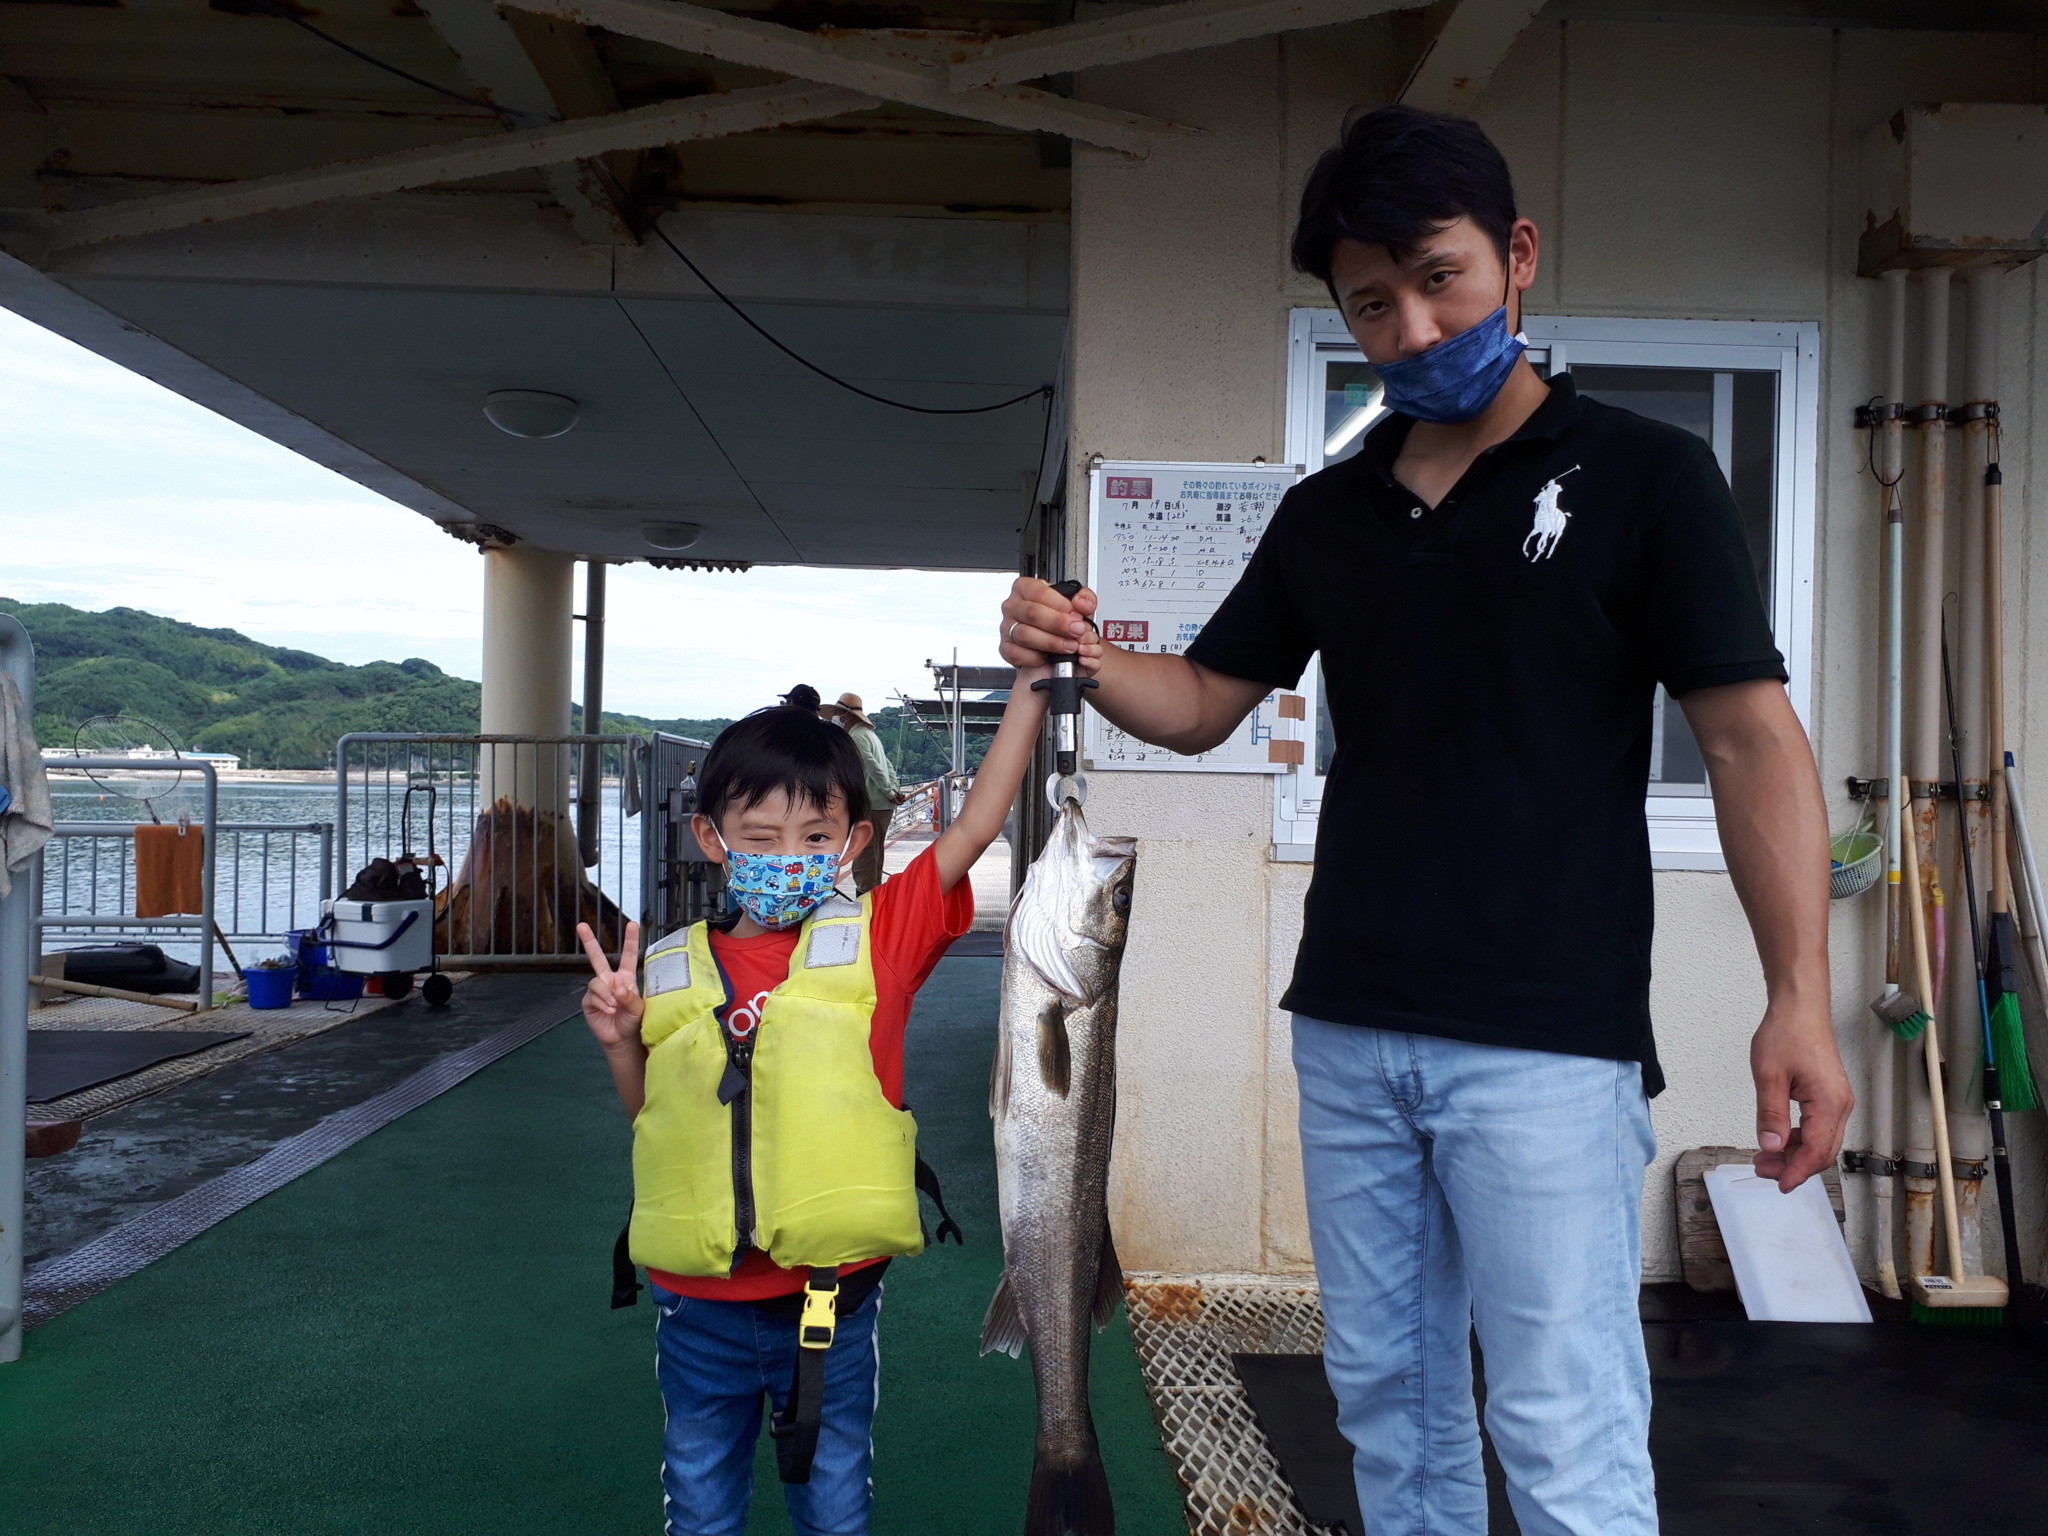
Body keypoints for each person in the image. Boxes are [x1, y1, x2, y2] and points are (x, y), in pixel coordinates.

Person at [998, 106, 1850, 1536]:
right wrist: (1079, 652)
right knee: (1388, 1409)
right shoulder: (1330, 515)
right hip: (1348, 1024)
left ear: (1516, 257)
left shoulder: (1645, 476)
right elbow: (1207, 696)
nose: (1408, 327)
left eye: (1438, 278)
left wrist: (1799, 1000)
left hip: (1545, 1039)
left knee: (1560, 1417)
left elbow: (1752, 739)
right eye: (1369, 303)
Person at [575, 667, 1050, 1536]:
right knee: (700, 1508)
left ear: (853, 840)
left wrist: (1029, 685)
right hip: (694, 1300)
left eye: (813, 834)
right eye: (759, 835)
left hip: (826, 1302)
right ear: (712, 839)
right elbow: (656, 1121)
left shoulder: (884, 934)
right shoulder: (667, 967)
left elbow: (979, 821)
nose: (786, 855)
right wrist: (618, 1045)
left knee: (834, 1509)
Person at [822, 692, 904, 894]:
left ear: (847, 715)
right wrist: (893, 790)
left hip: (871, 803)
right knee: (875, 853)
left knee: (864, 853)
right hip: (883, 804)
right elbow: (887, 765)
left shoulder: (856, 737)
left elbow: (873, 766)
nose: (836, 717)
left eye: (838, 713)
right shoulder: (870, 736)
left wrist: (887, 790)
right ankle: (876, 897)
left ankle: (865, 898)